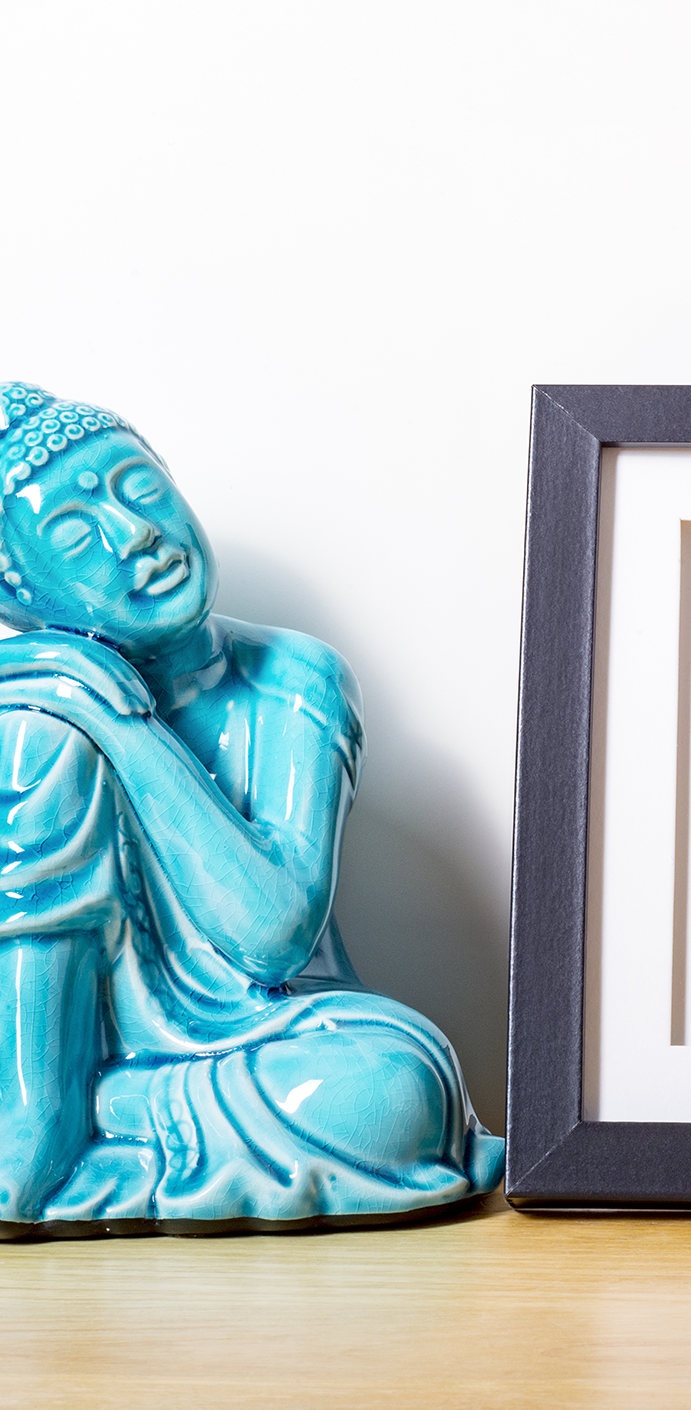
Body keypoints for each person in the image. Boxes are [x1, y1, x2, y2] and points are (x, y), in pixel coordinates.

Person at [0, 383, 503, 1230]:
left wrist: (123, 727)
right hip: (54, 1078)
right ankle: (60, 1138)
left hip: (267, 1040)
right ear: (25, 601)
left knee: (398, 1085)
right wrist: (76, 722)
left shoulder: (292, 678)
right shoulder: (35, 729)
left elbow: (272, 937)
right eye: (76, 535)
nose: (135, 535)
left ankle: (108, 1126)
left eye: (141, 487)